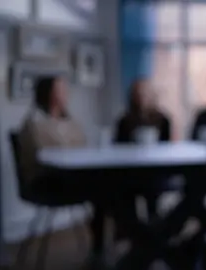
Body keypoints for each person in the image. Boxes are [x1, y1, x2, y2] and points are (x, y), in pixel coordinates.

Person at [17, 77, 106, 261]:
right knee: (103, 189)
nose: (65, 94)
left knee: (107, 187)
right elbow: (46, 153)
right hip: (46, 182)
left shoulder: (68, 120)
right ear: (47, 93)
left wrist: (66, 143)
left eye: (65, 90)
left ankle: (100, 246)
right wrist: (67, 143)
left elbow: (81, 143)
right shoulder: (34, 122)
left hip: (68, 178)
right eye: (60, 90)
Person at [115, 79, 172, 222]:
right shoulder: (124, 120)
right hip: (130, 171)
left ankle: (153, 230)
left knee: (152, 189)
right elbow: (117, 147)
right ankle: (131, 232)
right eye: (138, 93)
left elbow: (168, 148)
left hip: (155, 171)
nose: (141, 96)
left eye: (145, 93)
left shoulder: (163, 120)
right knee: (119, 191)